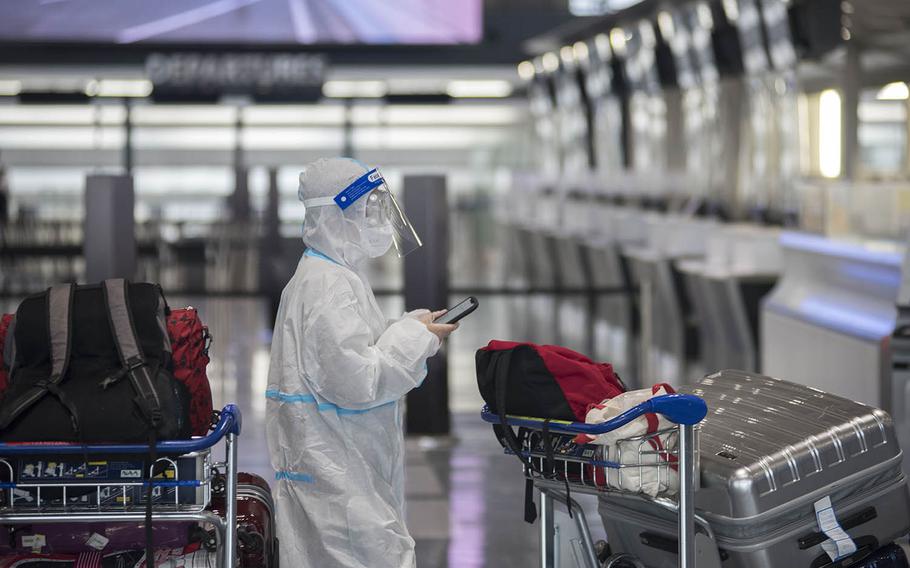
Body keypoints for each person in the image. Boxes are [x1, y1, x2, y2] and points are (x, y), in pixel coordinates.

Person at [265, 157, 458, 568]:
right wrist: (415, 339)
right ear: (336, 215)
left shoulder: (331, 275)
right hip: (338, 475)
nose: (377, 221)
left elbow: (353, 349)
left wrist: (407, 327)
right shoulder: (327, 285)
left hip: (341, 468)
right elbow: (357, 380)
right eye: (368, 210)